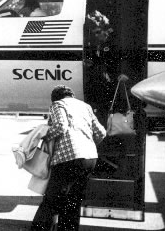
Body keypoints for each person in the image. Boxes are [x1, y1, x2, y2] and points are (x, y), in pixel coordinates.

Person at [31, 85, 106, 231]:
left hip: (68, 159)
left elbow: (60, 126)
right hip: (89, 158)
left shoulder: (58, 104)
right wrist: (85, 144)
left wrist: (44, 135)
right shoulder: (85, 106)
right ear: (71, 95)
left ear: (55, 98)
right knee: (73, 201)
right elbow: (101, 132)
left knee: (51, 200)